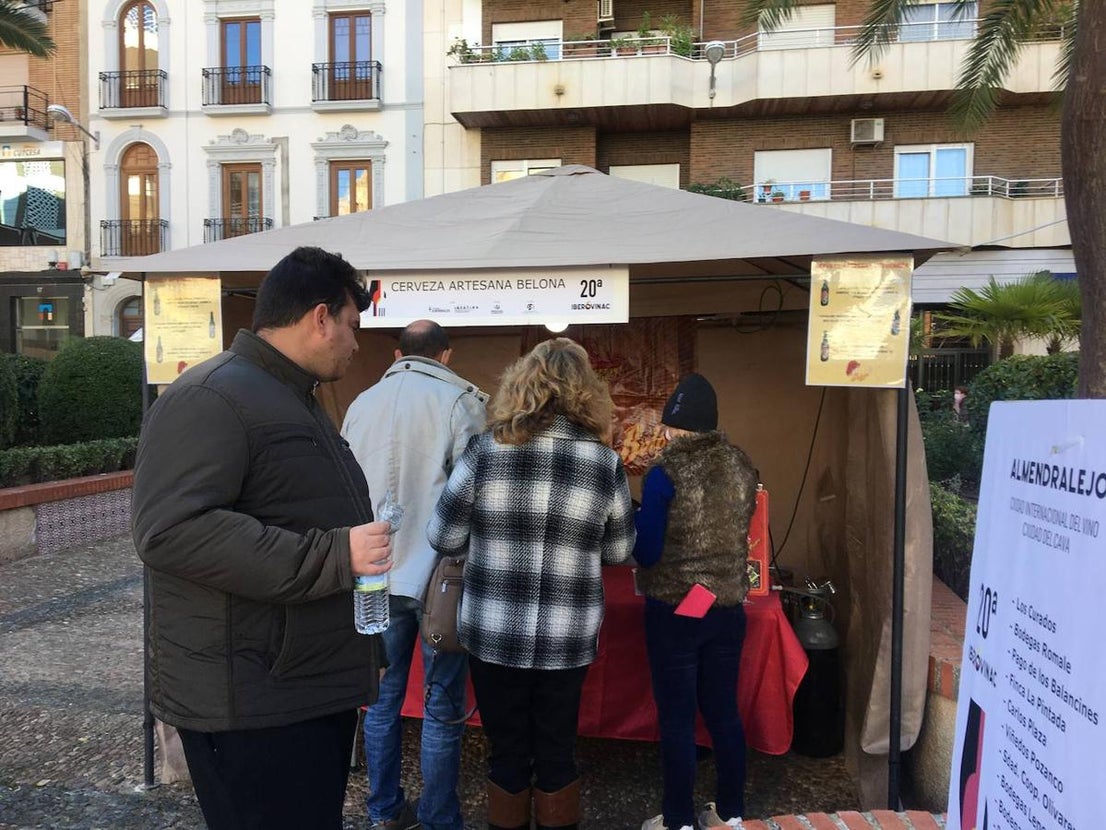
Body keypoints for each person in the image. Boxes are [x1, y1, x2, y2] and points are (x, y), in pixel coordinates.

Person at [132, 246, 394, 830]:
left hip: (295, 690)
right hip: (252, 705)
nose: (356, 343)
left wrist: (363, 656)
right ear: (320, 317)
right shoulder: (212, 396)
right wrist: (335, 554)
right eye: (353, 326)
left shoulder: (286, 397)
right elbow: (171, 531)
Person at [427, 338, 636, 830]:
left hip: (494, 630)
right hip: (568, 636)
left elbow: (443, 535)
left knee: (507, 752)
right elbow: (620, 550)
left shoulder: (484, 452)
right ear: (588, 393)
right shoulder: (604, 463)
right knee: (558, 750)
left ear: (521, 385)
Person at [341, 319, 488, 830]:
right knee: (441, 702)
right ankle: (439, 817)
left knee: (380, 698)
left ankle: (383, 810)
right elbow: (475, 493)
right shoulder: (462, 402)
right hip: (439, 579)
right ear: (445, 356)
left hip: (373, 571)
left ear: (399, 352)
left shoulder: (361, 404)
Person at [633, 373, 759, 830]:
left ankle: (679, 820)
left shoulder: (665, 473)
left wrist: (638, 518)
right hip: (728, 607)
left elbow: (647, 550)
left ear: (672, 427)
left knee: (678, 720)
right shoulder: (742, 466)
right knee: (724, 713)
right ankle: (730, 814)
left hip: (675, 611)